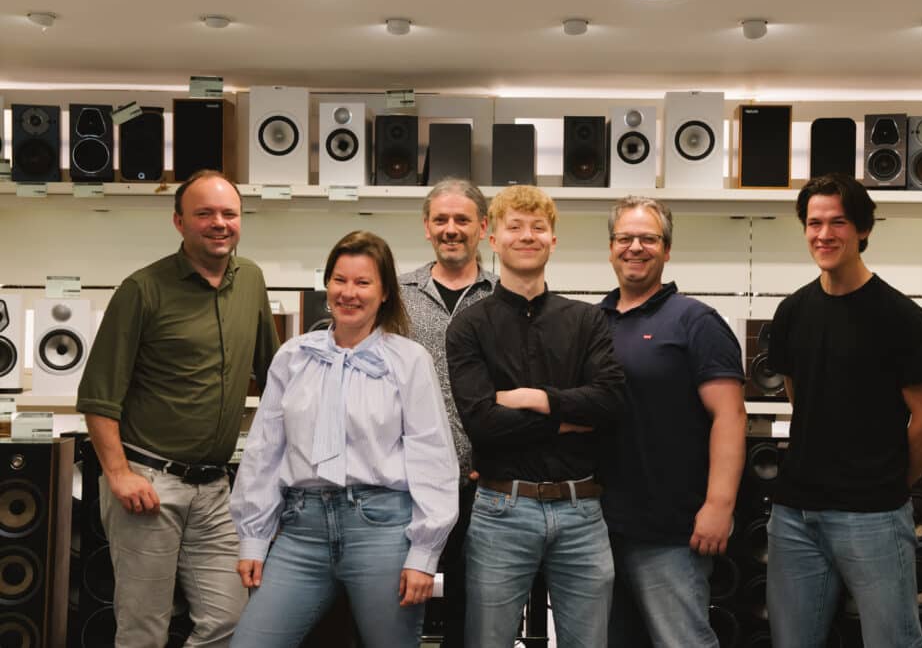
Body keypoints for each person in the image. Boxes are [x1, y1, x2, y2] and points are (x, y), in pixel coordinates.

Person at [76, 170, 280, 647]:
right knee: (144, 629)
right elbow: (98, 396)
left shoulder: (250, 279)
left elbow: (277, 376)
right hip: (149, 486)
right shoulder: (142, 289)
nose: (219, 223)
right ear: (179, 222)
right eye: (204, 213)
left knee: (229, 621)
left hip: (214, 489)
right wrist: (119, 474)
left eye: (229, 213)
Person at [230, 230, 459, 648]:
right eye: (340, 280)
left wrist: (424, 554)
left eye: (363, 282)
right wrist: (254, 539)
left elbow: (432, 456)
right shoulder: (293, 356)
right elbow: (265, 450)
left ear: (385, 291)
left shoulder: (409, 360)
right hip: (301, 531)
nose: (348, 293)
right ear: (327, 284)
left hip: (382, 529)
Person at [765, 173, 922, 647]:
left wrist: (888, 485)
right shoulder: (792, 312)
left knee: (894, 641)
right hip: (795, 515)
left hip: (872, 516)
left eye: (838, 222)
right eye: (814, 222)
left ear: (864, 230)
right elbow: (798, 393)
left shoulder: (902, 318)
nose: (824, 234)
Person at [446, 185, 627, 648]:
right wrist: (568, 415)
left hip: (582, 512)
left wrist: (531, 398)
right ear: (493, 238)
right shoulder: (469, 325)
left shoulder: (588, 321)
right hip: (501, 509)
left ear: (553, 240)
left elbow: (609, 404)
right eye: (515, 227)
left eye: (538, 227)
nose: (527, 236)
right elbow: (482, 423)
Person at [598, 196, 747, 648]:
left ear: (666, 250)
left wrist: (719, 506)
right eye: (625, 238)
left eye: (649, 238)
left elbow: (731, 416)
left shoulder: (695, 321)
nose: (635, 247)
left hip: (671, 531)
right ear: (610, 248)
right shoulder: (592, 321)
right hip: (598, 529)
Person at [398, 178, 497, 647]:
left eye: (462, 220)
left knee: (472, 611)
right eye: (441, 219)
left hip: (484, 483)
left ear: (483, 227)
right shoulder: (396, 294)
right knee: (398, 604)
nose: (451, 229)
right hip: (406, 482)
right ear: (426, 226)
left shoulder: (506, 297)